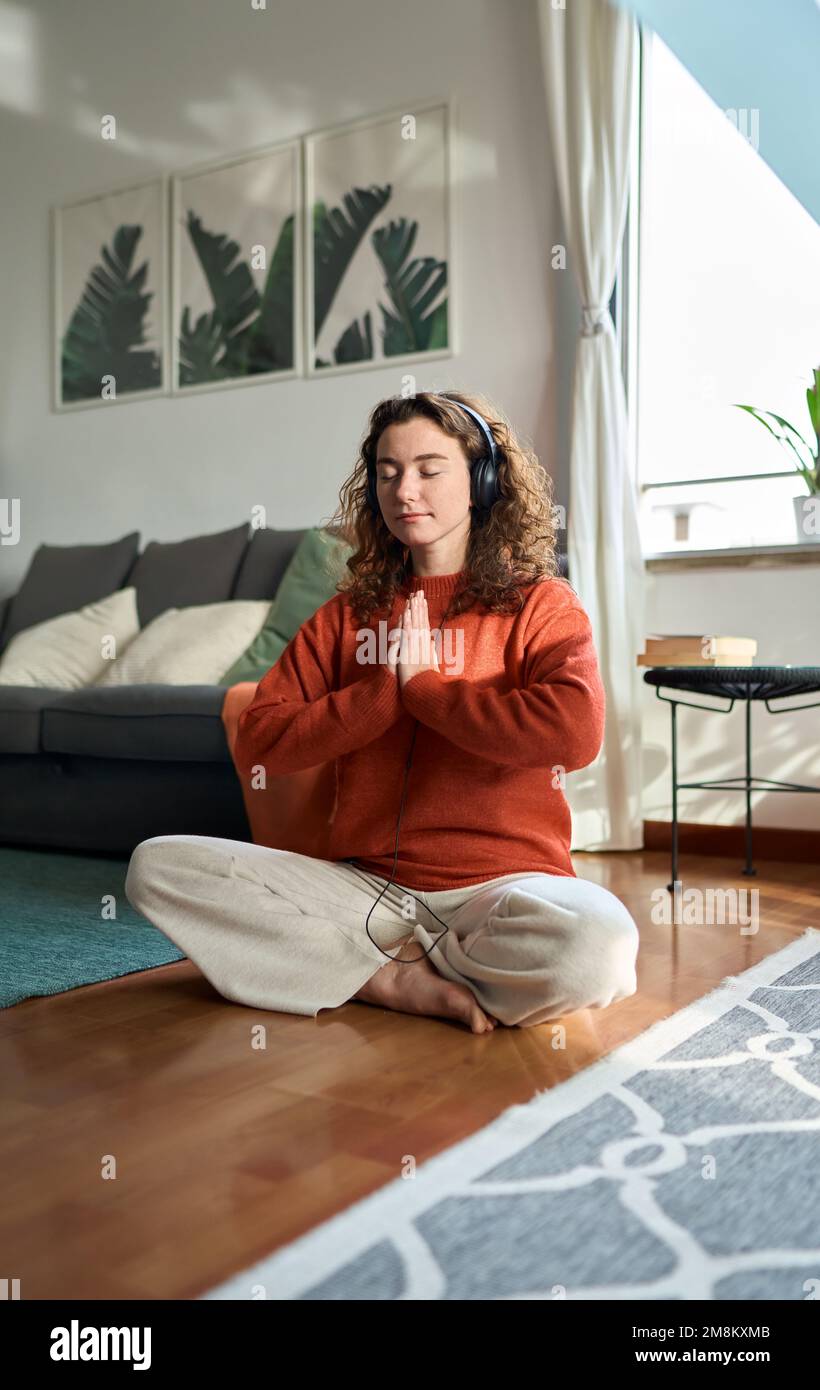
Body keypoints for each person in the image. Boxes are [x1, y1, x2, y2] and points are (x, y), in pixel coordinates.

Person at [125, 389, 639, 1034]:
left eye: (429, 469)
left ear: (481, 481)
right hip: (364, 891)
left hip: (505, 892)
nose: (404, 490)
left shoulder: (542, 603)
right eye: (388, 473)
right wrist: (381, 695)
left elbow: (575, 731)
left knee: (598, 949)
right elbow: (262, 740)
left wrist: (427, 689)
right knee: (159, 867)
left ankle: (350, 966)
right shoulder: (348, 616)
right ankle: (389, 980)